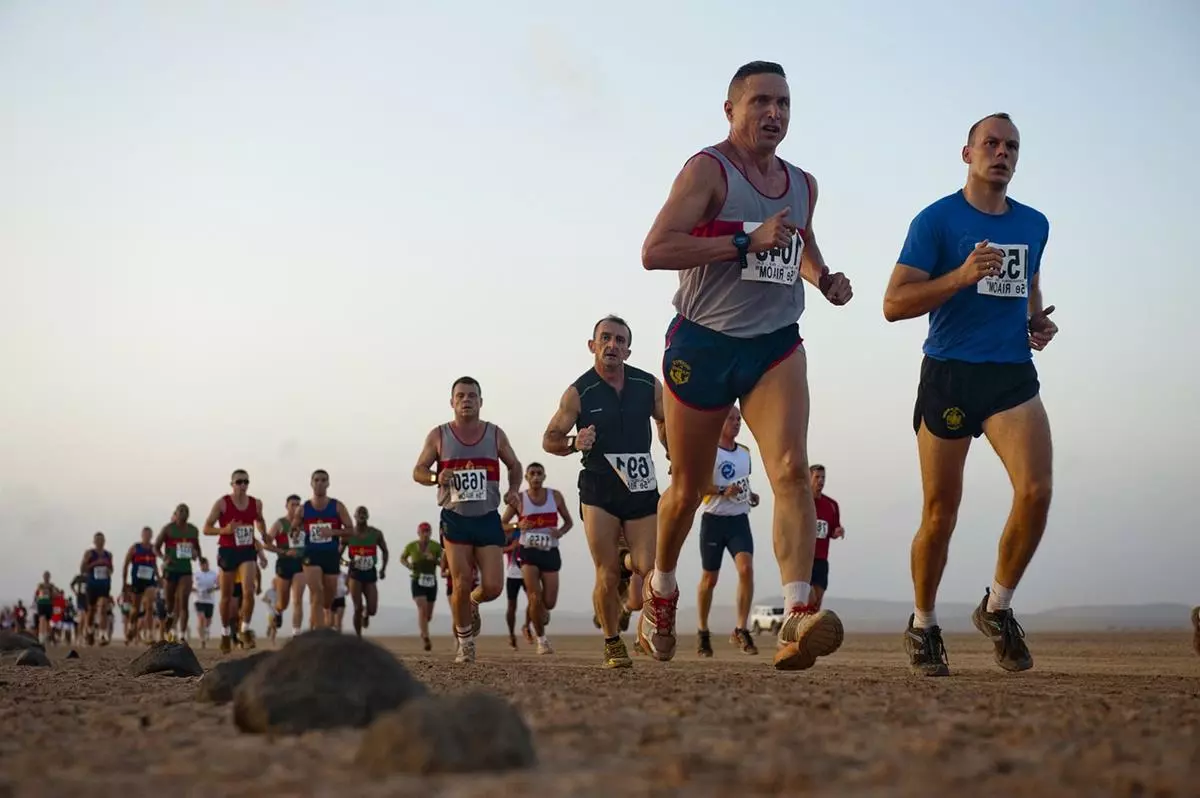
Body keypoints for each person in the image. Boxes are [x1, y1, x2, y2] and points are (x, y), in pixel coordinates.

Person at [639, 60, 853, 670]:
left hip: (774, 344)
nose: (774, 113)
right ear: (730, 110)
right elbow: (655, 250)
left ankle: (795, 612)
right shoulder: (708, 170)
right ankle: (660, 588)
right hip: (702, 344)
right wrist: (741, 240)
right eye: (760, 101)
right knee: (686, 488)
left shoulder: (803, 183)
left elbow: (800, 245)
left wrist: (825, 278)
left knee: (788, 467)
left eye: (783, 103)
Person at [882, 112, 1057, 677]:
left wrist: (1035, 320)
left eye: (1011, 146)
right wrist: (959, 276)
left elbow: (1026, 276)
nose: (1000, 153)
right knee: (940, 513)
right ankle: (924, 623)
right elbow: (893, 304)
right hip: (950, 374)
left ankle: (997, 608)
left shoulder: (1035, 222)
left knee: (1035, 491)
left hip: (1010, 375)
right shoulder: (935, 221)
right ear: (967, 153)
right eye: (990, 144)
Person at [542, 316, 665, 668]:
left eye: (620, 340)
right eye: (605, 338)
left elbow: (666, 419)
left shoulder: (647, 384)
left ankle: (629, 563)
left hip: (640, 487)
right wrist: (573, 442)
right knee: (606, 571)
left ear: (628, 349)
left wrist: (671, 447)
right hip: (599, 488)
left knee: (648, 567)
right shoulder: (579, 392)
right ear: (592, 345)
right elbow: (549, 439)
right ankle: (613, 642)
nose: (612, 345)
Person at [412, 376, 523, 664]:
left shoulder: (495, 434)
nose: (466, 400)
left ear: (481, 401)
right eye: (460, 396)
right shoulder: (439, 436)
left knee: (494, 587)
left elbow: (514, 465)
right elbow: (419, 471)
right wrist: (437, 477)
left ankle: (474, 602)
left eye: (472, 395)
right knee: (460, 581)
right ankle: (465, 642)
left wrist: (512, 490)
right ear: (452, 402)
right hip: (455, 518)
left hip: (487, 518)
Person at [696, 405, 762, 657]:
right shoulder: (709, 451)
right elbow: (699, 485)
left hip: (738, 521)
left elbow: (743, 483)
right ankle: (703, 631)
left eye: (738, 419)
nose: (737, 423)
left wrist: (750, 496)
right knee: (709, 579)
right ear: (719, 422)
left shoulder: (744, 453)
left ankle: (740, 629)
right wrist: (722, 491)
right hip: (713, 520)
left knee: (746, 569)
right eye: (731, 419)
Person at [501, 462, 573, 655]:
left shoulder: (555, 496)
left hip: (550, 551)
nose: (535, 476)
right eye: (532, 473)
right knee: (534, 596)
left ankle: (540, 613)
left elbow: (569, 522)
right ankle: (542, 640)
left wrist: (560, 532)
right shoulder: (520, 500)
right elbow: (502, 524)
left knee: (548, 602)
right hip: (528, 552)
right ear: (526, 477)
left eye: (539, 473)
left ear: (544, 476)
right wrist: (518, 526)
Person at [201, 469, 269, 652]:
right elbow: (206, 528)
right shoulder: (223, 503)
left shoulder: (256, 503)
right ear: (232, 484)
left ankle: (244, 629)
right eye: (239, 482)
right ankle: (224, 633)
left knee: (249, 591)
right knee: (226, 596)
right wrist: (225, 530)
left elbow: (260, 520)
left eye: (246, 482)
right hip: (228, 551)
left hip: (247, 550)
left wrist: (263, 532)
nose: (242, 486)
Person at [293, 469, 354, 630]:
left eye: (323, 480)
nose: (319, 483)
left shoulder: (337, 506)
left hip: (331, 554)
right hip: (311, 554)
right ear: (311, 483)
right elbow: (294, 528)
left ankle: (315, 624)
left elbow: (350, 530)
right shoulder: (303, 508)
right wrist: (295, 531)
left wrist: (332, 532)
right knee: (316, 593)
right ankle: (319, 633)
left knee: (328, 599)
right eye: (317, 480)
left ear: (328, 483)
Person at [155, 503, 200, 642]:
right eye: (180, 510)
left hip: (185, 570)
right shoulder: (168, 529)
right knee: (170, 603)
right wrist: (164, 558)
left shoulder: (193, 530)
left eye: (186, 510)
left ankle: (182, 635)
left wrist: (195, 554)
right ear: (175, 513)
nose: (183, 512)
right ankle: (170, 624)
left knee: (184, 600)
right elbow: (156, 547)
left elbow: (197, 548)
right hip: (171, 570)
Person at [265, 494, 306, 638]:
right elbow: (267, 544)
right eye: (292, 504)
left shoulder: (305, 524)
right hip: (284, 562)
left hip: (301, 563)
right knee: (283, 603)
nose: (295, 508)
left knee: (298, 599)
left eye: (298, 505)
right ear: (286, 506)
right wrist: (283, 551)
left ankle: (296, 633)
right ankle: (277, 611)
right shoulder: (280, 523)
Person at [345, 505, 389, 638]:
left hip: (370, 573)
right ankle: (358, 638)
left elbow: (385, 551)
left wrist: (383, 569)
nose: (361, 517)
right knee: (357, 607)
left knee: (372, 609)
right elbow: (337, 554)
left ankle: (366, 613)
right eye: (359, 514)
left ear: (367, 517)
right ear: (355, 516)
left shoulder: (375, 533)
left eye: (364, 514)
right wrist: (347, 563)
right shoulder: (348, 534)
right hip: (355, 573)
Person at [400, 522, 442, 651]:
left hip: (431, 581)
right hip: (417, 580)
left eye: (427, 531)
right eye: (423, 531)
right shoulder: (411, 546)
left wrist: (434, 560)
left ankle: (424, 629)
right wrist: (409, 565)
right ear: (418, 533)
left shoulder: (436, 546)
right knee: (422, 609)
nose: (425, 534)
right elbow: (402, 558)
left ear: (430, 533)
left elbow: (444, 563)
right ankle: (425, 637)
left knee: (428, 615)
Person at [809, 464, 845, 611]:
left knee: (816, 602)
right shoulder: (802, 502)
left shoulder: (831, 505)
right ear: (809, 478)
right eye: (817, 477)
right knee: (807, 599)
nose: (820, 481)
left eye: (823, 477)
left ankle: (812, 632)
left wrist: (837, 531)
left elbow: (832, 530)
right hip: (803, 559)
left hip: (821, 559)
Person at [122, 527, 160, 644]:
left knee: (149, 606)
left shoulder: (153, 549)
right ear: (142, 535)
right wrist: (124, 582)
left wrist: (159, 578)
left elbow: (154, 565)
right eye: (145, 534)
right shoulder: (135, 548)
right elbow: (126, 564)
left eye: (149, 535)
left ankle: (148, 633)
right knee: (135, 609)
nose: (147, 537)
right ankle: (131, 625)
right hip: (137, 581)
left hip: (150, 581)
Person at [79, 532, 115, 646]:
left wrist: (109, 570)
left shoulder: (108, 554)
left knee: (103, 608)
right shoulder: (89, 553)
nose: (100, 542)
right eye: (98, 540)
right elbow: (82, 569)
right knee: (91, 610)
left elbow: (111, 569)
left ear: (104, 541)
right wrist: (94, 563)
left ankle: (102, 634)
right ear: (94, 542)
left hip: (104, 585)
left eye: (102, 540)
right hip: (92, 585)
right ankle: (89, 630)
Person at [499, 523, 529, 649]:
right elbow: (499, 549)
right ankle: (511, 635)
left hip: (529, 573)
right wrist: (512, 546)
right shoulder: (513, 530)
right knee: (512, 606)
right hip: (513, 574)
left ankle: (527, 626)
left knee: (535, 601)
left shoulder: (532, 526)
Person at [192, 557, 218, 647]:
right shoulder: (196, 574)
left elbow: (219, 585)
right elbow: (190, 586)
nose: (204, 566)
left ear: (208, 564)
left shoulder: (214, 574)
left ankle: (207, 630)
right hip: (198, 599)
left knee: (208, 620)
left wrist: (212, 589)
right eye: (202, 564)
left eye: (205, 564)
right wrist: (194, 590)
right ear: (200, 565)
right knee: (201, 618)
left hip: (209, 600)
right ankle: (201, 639)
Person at [32, 572, 57, 645]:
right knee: (41, 619)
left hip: (48, 604)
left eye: (48, 576)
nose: (46, 577)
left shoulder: (51, 585)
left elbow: (54, 594)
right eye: (45, 576)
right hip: (41, 604)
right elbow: (36, 594)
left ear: (49, 577)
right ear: (43, 577)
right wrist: (35, 601)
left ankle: (46, 636)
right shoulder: (40, 585)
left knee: (47, 621)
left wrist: (52, 595)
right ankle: (41, 637)